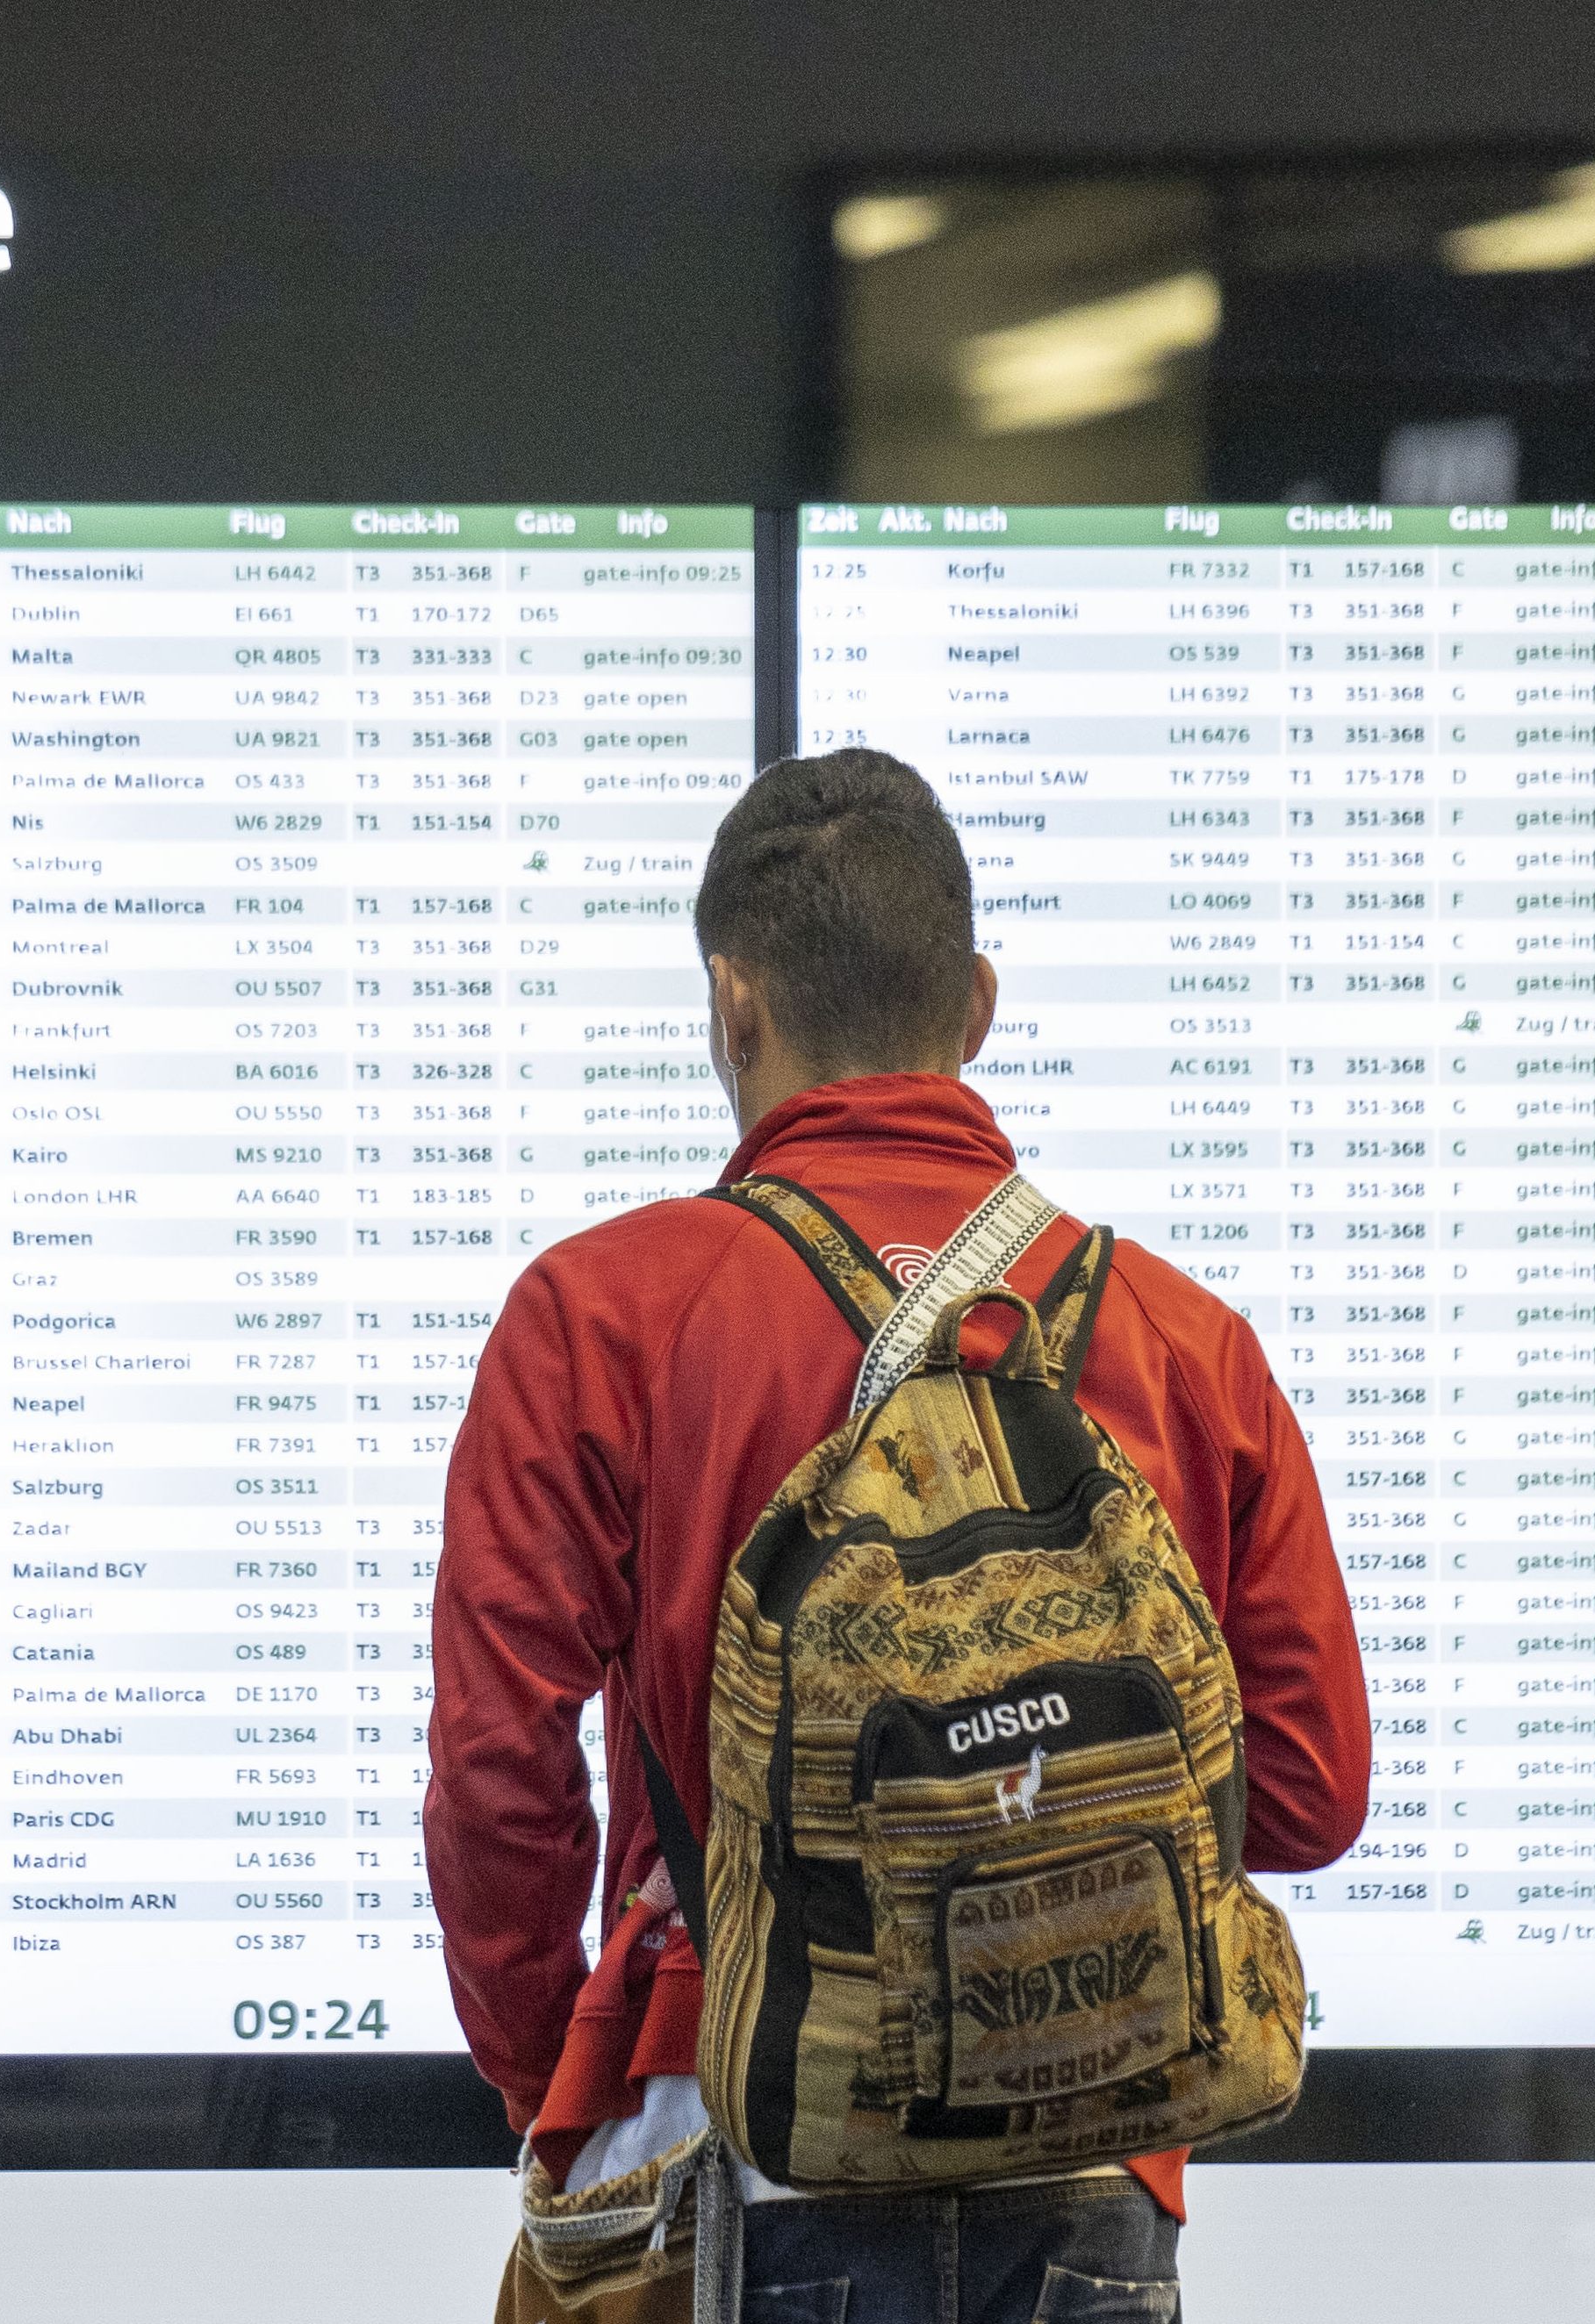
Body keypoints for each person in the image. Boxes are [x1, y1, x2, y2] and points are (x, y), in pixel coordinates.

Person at [425, 749, 1369, 2324]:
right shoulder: (1181, 1339)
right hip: (1089, 2165)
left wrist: (556, 2072)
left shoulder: (597, 1314)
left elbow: (495, 1771)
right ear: (977, 1002)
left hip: (726, 2134)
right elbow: (1304, 1789)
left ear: (731, 1002)